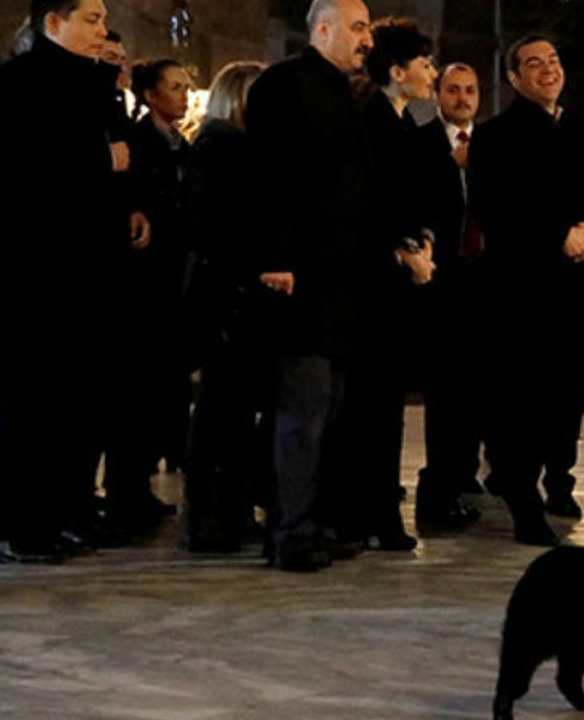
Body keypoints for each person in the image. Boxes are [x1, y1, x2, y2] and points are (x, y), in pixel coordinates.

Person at [0, 0, 151, 564]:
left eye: (103, 20)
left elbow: (120, 158)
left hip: (88, 265)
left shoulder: (93, 81)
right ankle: (14, 521)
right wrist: (103, 159)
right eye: (90, 20)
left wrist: (125, 195)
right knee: (28, 398)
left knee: (76, 400)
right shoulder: (25, 79)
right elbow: (23, 163)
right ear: (52, 23)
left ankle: (63, 512)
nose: (102, 31)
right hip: (37, 267)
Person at [466, 35, 584, 545]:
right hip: (522, 295)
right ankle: (523, 502)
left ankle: (543, 479)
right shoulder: (494, 136)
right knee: (520, 404)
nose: (548, 70)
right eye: (533, 64)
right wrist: (558, 235)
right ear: (514, 78)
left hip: (580, 295)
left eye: (553, 60)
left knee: (566, 401)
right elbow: (494, 209)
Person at [244, 0, 376, 571]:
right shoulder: (284, 84)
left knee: (329, 407)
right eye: (357, 27)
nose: (366, 39)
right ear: (322, 29)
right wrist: (275, 255)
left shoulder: (341, 90)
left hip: (340, 280)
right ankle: (288, 530)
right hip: (300, 279)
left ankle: (311, 518)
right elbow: (269, 174)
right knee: (301, 410)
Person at [317, 16, 438, 552]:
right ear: (396, 70)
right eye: (425, 63)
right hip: (372, 285)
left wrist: (424, 242)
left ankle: (378, 512)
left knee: (385, 403)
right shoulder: (371, 122)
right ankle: (362, 514)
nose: (431, 73)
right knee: (368, 405)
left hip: (396, 277)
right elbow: (367, 206)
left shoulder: (402, 122)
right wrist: (406, 254)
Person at [99, 57, 193, 534]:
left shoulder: (183, 145)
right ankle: (124, 488)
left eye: (185, 86)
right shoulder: (139, 143)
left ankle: (138, 484)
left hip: (172, 281)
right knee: (133, 394)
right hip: (143, 284)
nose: (182, 94)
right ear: (151, 95)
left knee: (160, 395)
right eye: (173, 87)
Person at [182, 60, 269, 553]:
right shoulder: (220, 147)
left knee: (234, 411)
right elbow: (211, 225)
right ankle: (210, 513)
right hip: (223, 297)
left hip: (231, 294)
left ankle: (230, 509)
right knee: (221, 410)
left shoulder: (235, 147)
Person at [412, 61, 487, 529]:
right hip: (439, 281)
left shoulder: (493, 145)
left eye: (470, 90)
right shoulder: (420, 144)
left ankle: (465, 475)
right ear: (438, 95)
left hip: (484, 283)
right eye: (453, 90)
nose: (462, 98)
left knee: (476, 389)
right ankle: (438, 488)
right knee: (444, 392)